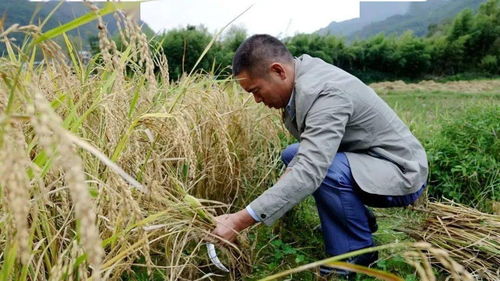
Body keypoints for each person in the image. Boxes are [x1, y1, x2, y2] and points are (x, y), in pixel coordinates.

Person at [212, 34, 428, 278]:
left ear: (278, 71)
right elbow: (306, 158)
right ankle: (360, 225)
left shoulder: (325, 93)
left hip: (400, 171)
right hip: (368, 160)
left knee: (323, 171)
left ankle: (354, 257)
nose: (257, 100)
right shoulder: (302, 74)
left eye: (256, 90)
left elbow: (310, 170)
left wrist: (240, 221)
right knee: (293, 155)